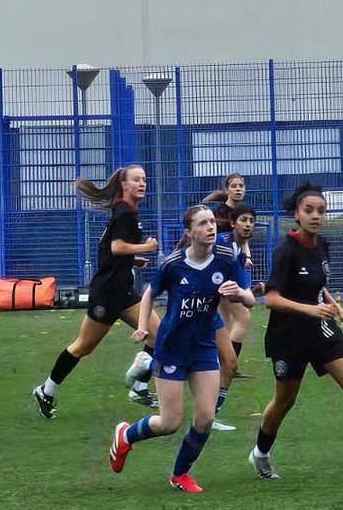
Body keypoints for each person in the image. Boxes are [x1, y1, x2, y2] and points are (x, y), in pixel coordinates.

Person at [248, 181, 343, 480]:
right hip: (289, 336)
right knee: (285, 400)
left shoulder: (322, 245)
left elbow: (318, 286)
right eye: (309, 210)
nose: (316, 216)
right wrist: (310, 309)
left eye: (321, 210)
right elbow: (271, 298)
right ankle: (260, 453)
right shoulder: (286, 251)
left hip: (322, 329)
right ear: (297, 214)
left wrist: (340, 311)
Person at [108, 205, 255, 493]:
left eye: (212, 222)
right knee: (170, 422)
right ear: (189, 233)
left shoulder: (226, 259)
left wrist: (239, 293)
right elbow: (150, 293)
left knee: (206, 417)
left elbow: (249, 298)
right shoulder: (172, 264)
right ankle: (126, 434)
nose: (210, 227)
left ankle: (180, 475)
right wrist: (142, 326)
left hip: (202, 348)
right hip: (172, 348)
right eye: (202, 223)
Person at [33, 165, 160, 419]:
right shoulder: (124, 212)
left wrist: (133, 260)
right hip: (108, 293)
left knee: (160, 334)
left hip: (122, 289)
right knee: (83, 346)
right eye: (136, 180)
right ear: (124, 185)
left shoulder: (126, 211)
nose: (142, 183)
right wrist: (146, 247)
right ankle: (46, 390)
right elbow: (116, 247)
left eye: (144, 179)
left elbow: (108, 249)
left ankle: (139, 386)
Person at [211, 202, 265, 430]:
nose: (248, 225)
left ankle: (210, 415)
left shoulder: (239, 252)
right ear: (233, 223)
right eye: (243, 220)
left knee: (229, 364)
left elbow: (244, 297)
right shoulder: (220, 244)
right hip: (196, 307)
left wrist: (250, 293)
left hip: (210, 306)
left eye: (251, 221)